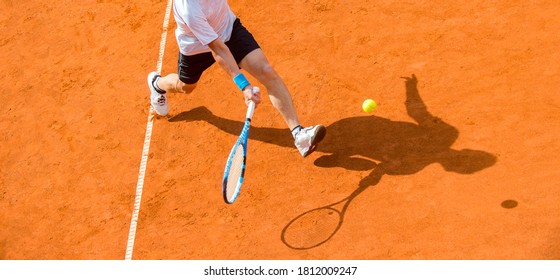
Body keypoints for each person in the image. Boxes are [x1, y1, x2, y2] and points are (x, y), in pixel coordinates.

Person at [147, 0, 326, 157]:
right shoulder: (189, 9)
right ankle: (157, 84)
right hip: (197, 48)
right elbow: (218, 50)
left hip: (229, 29)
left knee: (267, 72)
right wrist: (244, 85)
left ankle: (299, 135)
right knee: (186, 86)